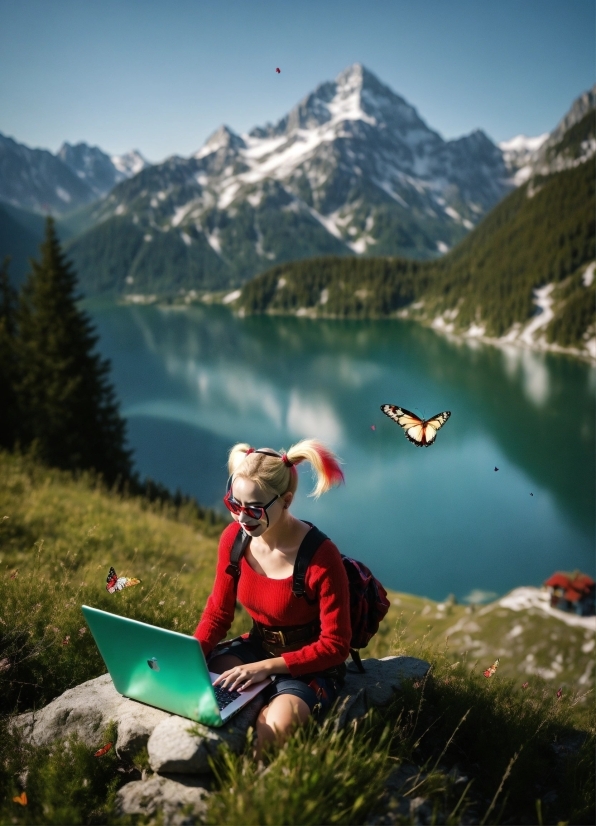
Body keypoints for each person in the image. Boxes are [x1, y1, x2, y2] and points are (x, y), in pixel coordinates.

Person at [193, 439, 351, 759]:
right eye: (233, 504)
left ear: (287, 500)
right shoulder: (234, 541)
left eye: (253, 509)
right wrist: (189, 655)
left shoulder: (321, 556)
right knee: (200, 691)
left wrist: (266, 668)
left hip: (311, 664)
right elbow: (218, 614)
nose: (242, 518)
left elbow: (336, 645)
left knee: (270, 737)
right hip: (258, 646)